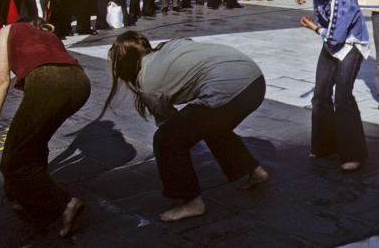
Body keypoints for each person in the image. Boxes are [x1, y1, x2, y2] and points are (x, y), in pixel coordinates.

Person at [100, 31, 270, 221]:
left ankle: (192, 202)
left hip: (228, 88)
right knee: (211, 124)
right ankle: (254, 171)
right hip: (255, 80)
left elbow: (168, 124)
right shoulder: (168, 45)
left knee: (166, 140)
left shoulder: (147, 82)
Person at [0, 18, 90, 238]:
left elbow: (1, 80)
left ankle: (65, 203)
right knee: (36, 140)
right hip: (80, 82)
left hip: (47, 80)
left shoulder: (8, 29)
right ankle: (32, 205)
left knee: (12, 163)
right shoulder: (48, 33)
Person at [297, 0, 369, 171]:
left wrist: (314, 28)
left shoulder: (344, 0)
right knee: (320, 94)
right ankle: (325, 145)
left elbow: (336, 38)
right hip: (331, 40)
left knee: (343, 97)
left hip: (350, 43)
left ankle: (354, 153)